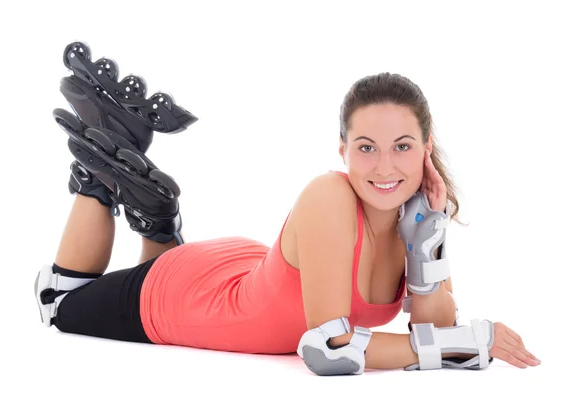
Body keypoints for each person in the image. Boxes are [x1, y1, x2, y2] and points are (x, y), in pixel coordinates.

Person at [35, 70, 540, 375]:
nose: (385, 167)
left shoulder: (418, 215)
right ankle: (98, 179)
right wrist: (473, 343)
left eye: (402, 148)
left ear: (426, 150)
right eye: (367, 148)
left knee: (159, 270)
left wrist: (429, 236)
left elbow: (431, 323)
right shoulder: (329, 195)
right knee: (58, 305)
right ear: (343, 150)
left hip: (240, 275)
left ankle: (156, 218)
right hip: (191, 296)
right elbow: (328, 346)